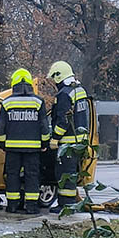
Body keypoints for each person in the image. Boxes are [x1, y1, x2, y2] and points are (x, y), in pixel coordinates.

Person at [0, 68, 50, 214]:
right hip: (33, 149)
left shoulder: (7, 103)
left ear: (13, 84)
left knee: (12, 175)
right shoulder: (38, 102)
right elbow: (44, 126)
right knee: (32, 175)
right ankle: (32, 207)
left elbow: (1, 126)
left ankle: (12, 205)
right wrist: (45, 143)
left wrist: (2, 143)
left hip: (12, 148)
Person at [47, 60, 91, 209]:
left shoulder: (64, 94)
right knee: (72, 173)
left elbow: (63, 119)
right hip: (80, 141)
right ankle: (69, 203)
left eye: (54, 78)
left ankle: (66, 205)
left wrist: (55, 138)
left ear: (58, 77)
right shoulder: (80, 90)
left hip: (68, 142)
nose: (53, 82)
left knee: (64, 174)